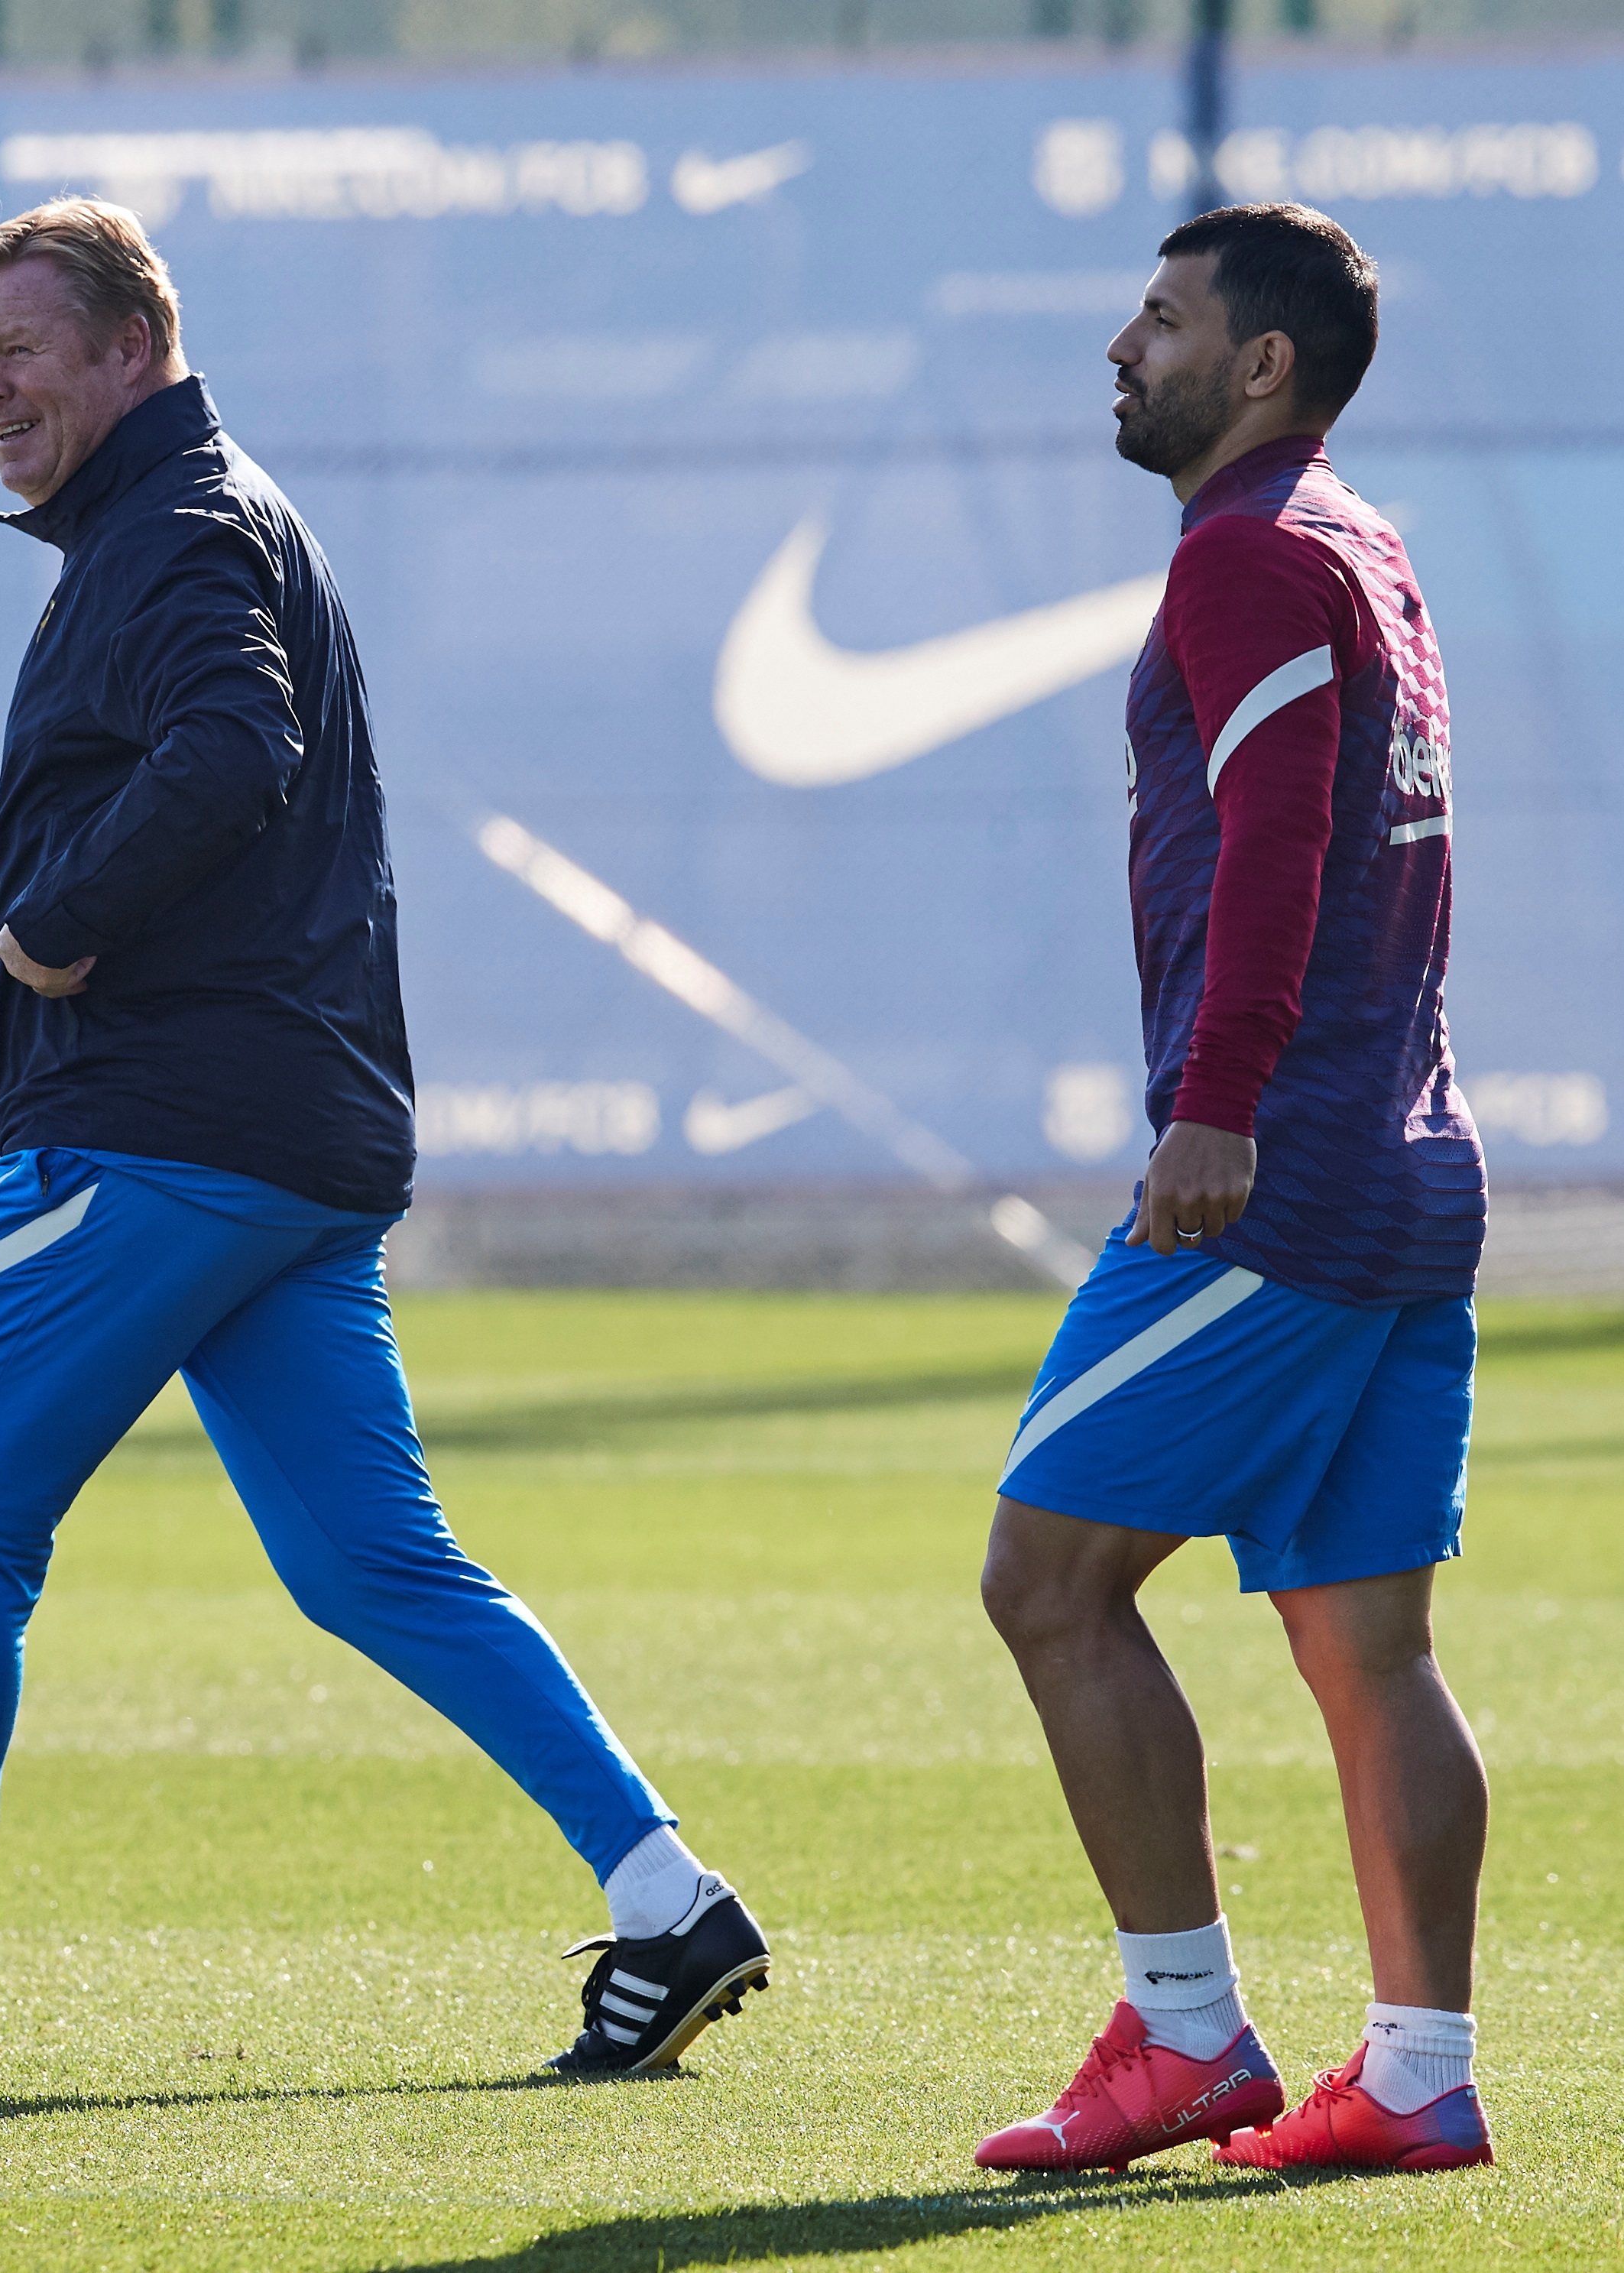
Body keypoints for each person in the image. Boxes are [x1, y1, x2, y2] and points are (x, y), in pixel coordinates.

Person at [0, 197, 767, 2080]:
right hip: (286, 1136)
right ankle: (670, 1901)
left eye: (20, 349)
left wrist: (51, 920)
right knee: (371, 1564)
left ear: (131, 349)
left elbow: (227, 751)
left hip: (159, 1134)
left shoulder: (171, 526)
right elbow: (231, 772)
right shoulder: (183, 517)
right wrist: (48, 907)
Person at [973, 203, 1493, 2177]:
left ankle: (1181, 2033)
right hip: (1400, 1164)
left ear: (1256, 363)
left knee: (1043, 1579)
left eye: (1161, 317)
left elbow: (1278, 838)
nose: (1122, 344)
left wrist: (1216, 1101)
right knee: (1366, 1646)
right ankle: (1417, 2066)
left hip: (1269, 1174)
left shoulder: (1249, 552)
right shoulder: (1354, 543)